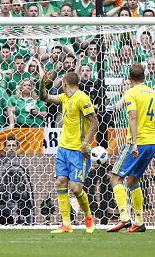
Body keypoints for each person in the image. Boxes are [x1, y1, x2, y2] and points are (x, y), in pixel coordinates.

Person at [107, 64, 155, 233]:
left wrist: (133, 144)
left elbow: (133, 117)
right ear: (145, 77)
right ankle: (139, 221)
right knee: (133, 180)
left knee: (115, 178)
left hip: (137, 143)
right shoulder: (154, 94)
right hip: (150, 143)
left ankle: (124, 218)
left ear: (129, 78)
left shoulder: (130, 93)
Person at [39, 70, 99, 234]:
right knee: (60, 182)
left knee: (76, 188)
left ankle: (88, 216)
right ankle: (66, 224)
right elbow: (44, 98)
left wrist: (85, 143)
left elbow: (95, 122)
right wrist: (42, 83)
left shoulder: (82, 98)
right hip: (63, 149)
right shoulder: (64, 98)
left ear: (65, 83)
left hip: (78, 151)